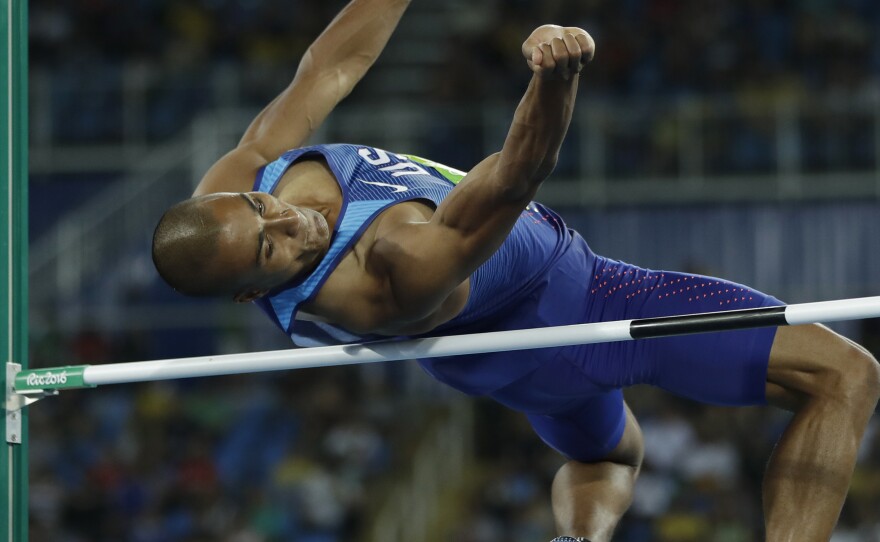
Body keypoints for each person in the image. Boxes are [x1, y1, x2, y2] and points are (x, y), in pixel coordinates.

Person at [151, 1, 880, 540]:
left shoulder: (227, 197)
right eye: (271, 248)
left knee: (611, 457)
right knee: (844, 374)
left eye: (261, 206)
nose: (288, 219)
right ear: (251, 289)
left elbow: (328, 68)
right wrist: (556, 76)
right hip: (580, 310)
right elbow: (512, 180)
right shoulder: (386, 275)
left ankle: (578, 538)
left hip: (507, 359)